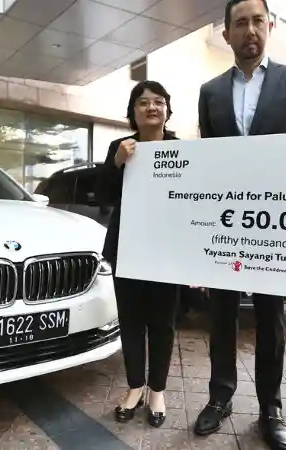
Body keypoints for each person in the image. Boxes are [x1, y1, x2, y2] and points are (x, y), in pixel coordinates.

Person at [194, 0, 286, 448]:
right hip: (226, 224)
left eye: (258, 21)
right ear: (226, 33)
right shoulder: (209, 91)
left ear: (270, 26)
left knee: (271, 318)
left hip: (275, 224)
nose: (250, 30)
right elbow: (208, 162)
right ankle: (219, 397)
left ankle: (271, 407)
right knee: (222, 314)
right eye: (240, 22)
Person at [97, 80, 180, 428]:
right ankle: (135, 387)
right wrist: (117, 163)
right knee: (131, 321)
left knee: (162, 323)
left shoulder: (181, 149)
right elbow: (103, 195)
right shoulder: (120, 147)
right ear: (133, 111)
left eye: (158, 102)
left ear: (167, 110)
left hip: (166, 250)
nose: (151, 108)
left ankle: (157, 390)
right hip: (127, 247)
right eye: (143, 102)